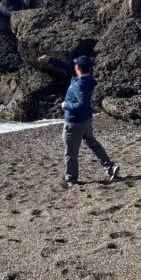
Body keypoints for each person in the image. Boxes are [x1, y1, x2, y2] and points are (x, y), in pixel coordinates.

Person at [37, 54, 119, 188]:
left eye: (76, 65)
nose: (74, 66)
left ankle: (71, 180)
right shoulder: (88, 79)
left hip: (74, 123)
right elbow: (69, 69)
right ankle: (110, 167)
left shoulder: (79, 86)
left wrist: (65, 105)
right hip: (86, 120)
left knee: (70, 152)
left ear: (78, 68)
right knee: (93, 143)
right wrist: (50, 60)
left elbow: (81, 104)